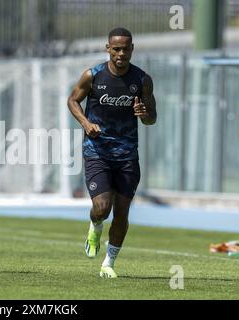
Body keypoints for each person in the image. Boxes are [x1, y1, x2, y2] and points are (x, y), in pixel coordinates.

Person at [67, 27, 157, 278]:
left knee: (122, 212)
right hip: (97, 151)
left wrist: (145, 114)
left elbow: (152, 117)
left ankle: (109, 263)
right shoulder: (93, 75)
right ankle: (95, 226)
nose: (120, 54)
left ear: (132, 49)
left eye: (125, 49)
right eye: (115, 49)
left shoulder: (142, 80)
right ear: (108, 48)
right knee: (102, 207)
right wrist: (86, 124)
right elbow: (73, 100)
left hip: (127, 155)